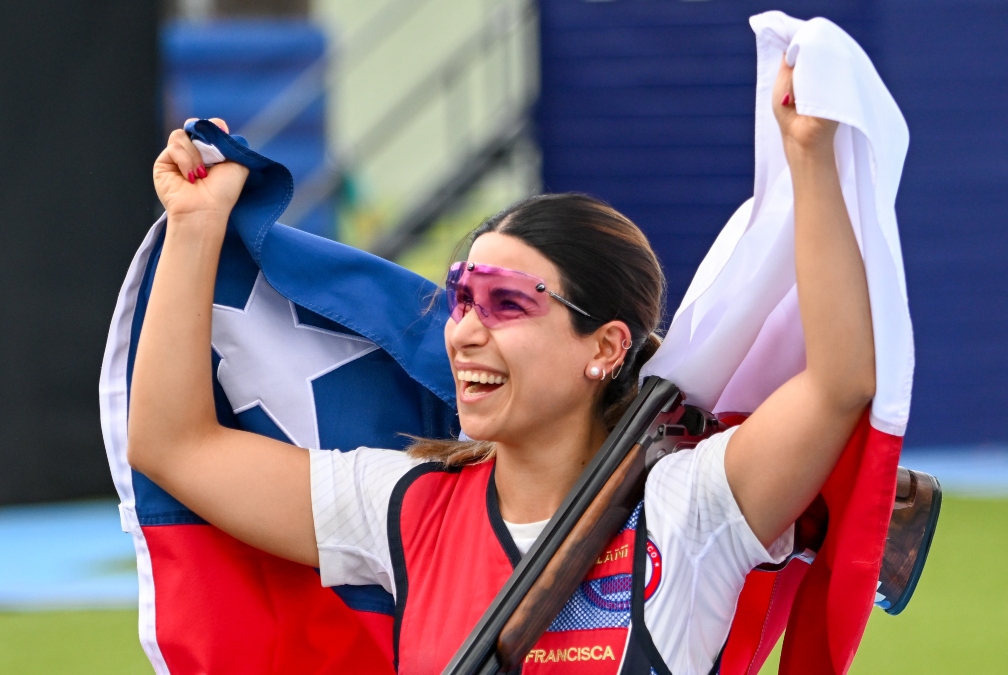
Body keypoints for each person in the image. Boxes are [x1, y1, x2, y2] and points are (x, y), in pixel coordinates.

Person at [127, 57, 875, 675]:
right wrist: (196, 229)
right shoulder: (406, 507)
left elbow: (840, 385)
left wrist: (808, 158)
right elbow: (173, 446)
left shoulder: (691, 505)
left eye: (506, 303)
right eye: (460, 298)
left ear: (606, 348)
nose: (464, 332)